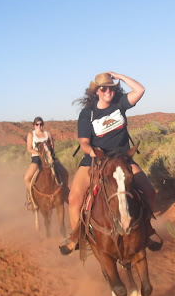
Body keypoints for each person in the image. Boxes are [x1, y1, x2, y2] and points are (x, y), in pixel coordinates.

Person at [60, 72, 161, 255]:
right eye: (103, 88)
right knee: (74, 198)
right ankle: (78, 236)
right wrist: (93, 152)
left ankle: (146, 230)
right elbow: (84, 143)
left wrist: (120, 76)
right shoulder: (88, 114)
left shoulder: (120, 104)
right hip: (95, 160)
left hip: (122, 159)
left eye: (111, 88)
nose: (108, 91)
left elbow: (140, 90)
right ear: (96, 91)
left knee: (150, 192)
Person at [23, 117, 59, 208]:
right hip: (37, 158)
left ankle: (64, 192)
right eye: (37, 124)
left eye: (41, 124)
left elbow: (52, 146)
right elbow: (29, 149)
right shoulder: (31, 134)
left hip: (49, 157)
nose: (39, 126)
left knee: (62, 172)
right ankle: (32, 198)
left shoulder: (47, 134)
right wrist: (40, 153)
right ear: (34, 125)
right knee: (27, 178)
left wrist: (49, 154)